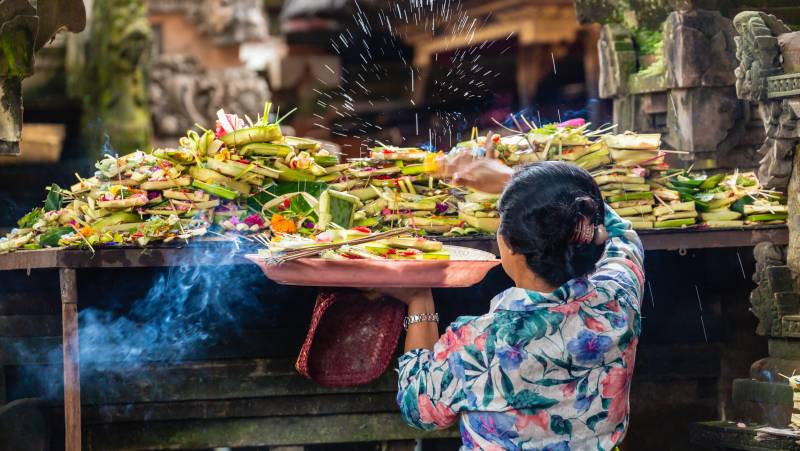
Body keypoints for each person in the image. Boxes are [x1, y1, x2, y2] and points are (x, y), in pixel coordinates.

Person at [368, 156, 644, 450]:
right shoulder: (618, 299)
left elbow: (418, 407)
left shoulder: (482, 343)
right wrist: (527, 188)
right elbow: (621, 235)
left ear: (511, 247)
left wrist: (418, 298)